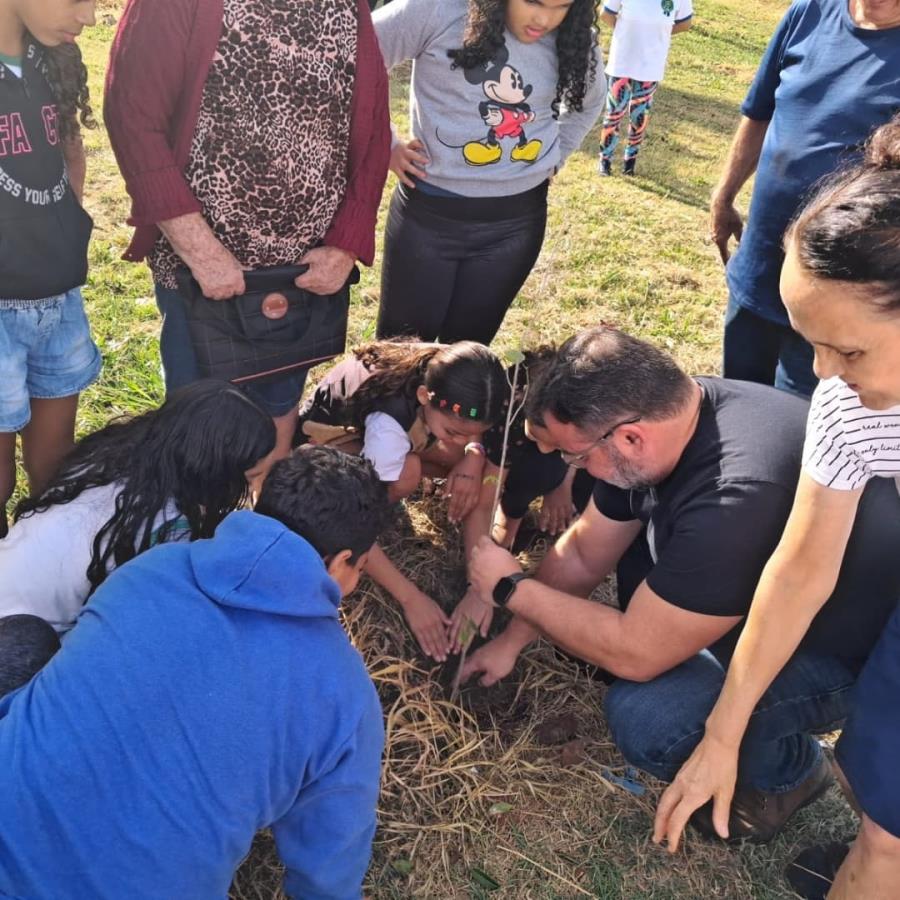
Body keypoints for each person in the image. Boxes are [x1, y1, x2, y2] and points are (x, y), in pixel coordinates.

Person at [459, 326, 900, 845]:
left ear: (630, 438)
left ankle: (791, 773)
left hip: (846, 651)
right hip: (760, 601)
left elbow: (636, 653)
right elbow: (582, 553)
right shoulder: (667, 418)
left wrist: (511, 587)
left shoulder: (731, 497)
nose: (574, 468)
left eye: (577, 458)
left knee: (652, 719)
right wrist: (512, 641)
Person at [655, 116, 900, 900]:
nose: (823, 374)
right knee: (877, 800)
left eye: (849, 350)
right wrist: (722, 735)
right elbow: (798, 573)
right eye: (811, 343)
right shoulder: (848, 404)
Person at [0, 448, 391, 898]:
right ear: (341, 560)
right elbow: (330, 865)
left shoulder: (152, 568)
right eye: (360, 569)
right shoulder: (345, 693)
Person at [104, 0, 391, 464]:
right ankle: (195, 504)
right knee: (199, 419)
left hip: (303, 273)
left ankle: (265, 499)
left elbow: (375, 127)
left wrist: (344, 245)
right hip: (204, 277)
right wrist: (200, 251)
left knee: (279, 404)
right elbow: (132, 116)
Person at [373, 0, 605, 345]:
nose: (543, 19)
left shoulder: (575, 34)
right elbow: (359, 55)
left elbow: (589, 102)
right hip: (428, 218)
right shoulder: (438, 9)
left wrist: (556, 155)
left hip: (515, 226)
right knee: (398, 355)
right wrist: (386, 143)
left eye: (561, 6)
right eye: (533, 1)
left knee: (466, 356)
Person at [713, 0, 900, 397]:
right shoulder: (808, 13)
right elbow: (759, 112)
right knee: (738, 400)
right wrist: (724, 194)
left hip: (842, 301)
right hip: (760, 266)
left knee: (801, 419)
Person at [0, 380, 276, 635]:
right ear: (214, 471)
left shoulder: (111, 456)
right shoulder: (164, 526)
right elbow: (138, 619)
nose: (253, 487)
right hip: (22, 639)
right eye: (249, 478)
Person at [297, 339, 507, 661]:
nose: (462, 440)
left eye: (472, 433)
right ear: (423, 396)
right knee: (408, 472)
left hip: (374, 430)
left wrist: (473, 454)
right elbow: (355, 523)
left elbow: (468, 439)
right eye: (454, 432)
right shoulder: (389, 428)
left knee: (454, 459)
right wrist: (411, 599)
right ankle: (377, 497)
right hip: (318, 444)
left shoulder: (451, 374)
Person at [0, 0, 101, 538]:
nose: (89, 17)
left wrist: (71, 223)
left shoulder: (54, 56)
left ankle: (40, 566)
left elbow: (71, 147)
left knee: (55, 469)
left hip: (60, 302)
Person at [449, 346, 594, 651]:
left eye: (556, 445)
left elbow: (580, 448)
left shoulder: (589, 409)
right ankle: (512, 519)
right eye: (536, 437)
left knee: (560, 474)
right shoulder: (510, 417)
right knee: (535, 470)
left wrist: (563, 484)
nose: (544, 448)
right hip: (513, 447)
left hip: (576, 456)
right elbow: (485, 501)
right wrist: (478, 588)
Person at [597, 0, 693, 177]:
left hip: (651, 65)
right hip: (622, 61)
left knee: (639, 116)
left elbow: (685, 23)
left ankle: (630, 162)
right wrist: (625, 31)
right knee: (614, 112)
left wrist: (659, 33)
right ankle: (605, 160)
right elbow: (606, 14)